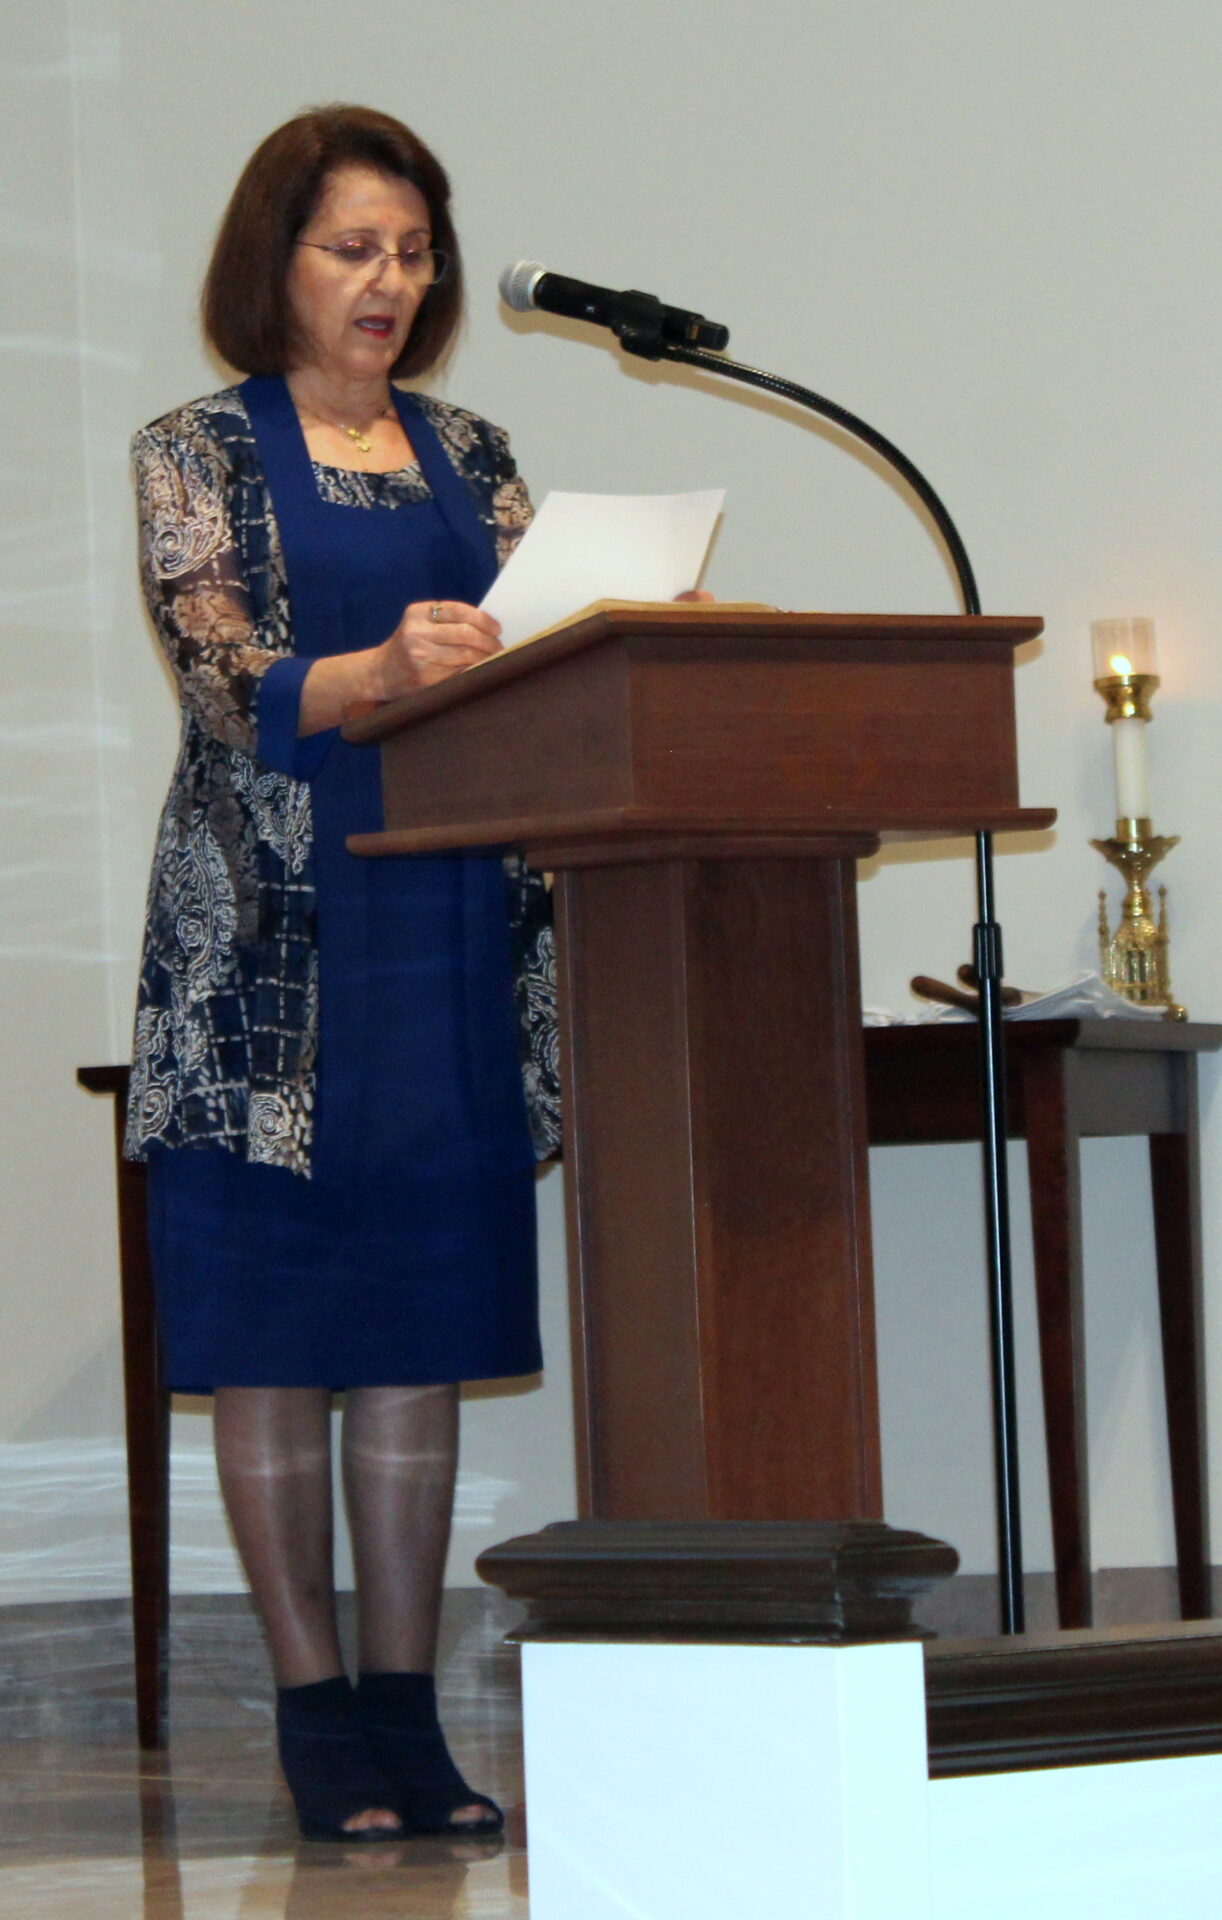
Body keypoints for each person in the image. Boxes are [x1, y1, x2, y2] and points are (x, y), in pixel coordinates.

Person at [124, 104, 561, 1843]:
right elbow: (222, 674)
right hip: (263, 957)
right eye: (351, 249)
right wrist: (377, 665)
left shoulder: (473, 445)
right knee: (282, 1331)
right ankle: (313, 1714)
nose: (389, 281)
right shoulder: (195, 450)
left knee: (416, 1338)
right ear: (275, 264)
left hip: (449, 928)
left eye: (410, 250)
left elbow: (565, 636)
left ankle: (405, 1708)